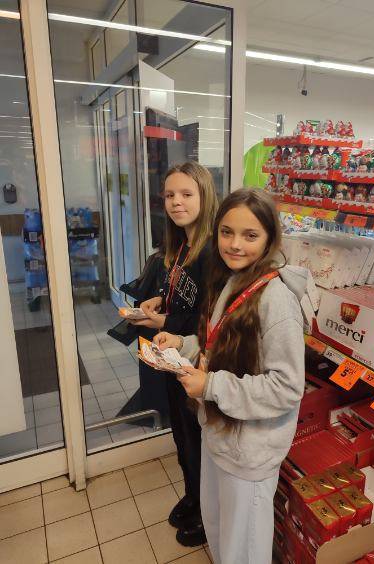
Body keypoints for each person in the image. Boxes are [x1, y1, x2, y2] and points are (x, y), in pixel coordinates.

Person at [154, 188, 305, 564]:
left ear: (270, 238)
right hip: (221, 435)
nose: (235, 244)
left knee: (244, 550)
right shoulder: (231, 280)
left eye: (250, 235)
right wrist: (183, 344)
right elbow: (220, 344)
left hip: (250, 451)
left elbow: (287, 387)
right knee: (220, 532)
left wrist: (211, 385)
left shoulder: (277, 300)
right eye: (226, 232)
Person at [128, 162, 218, 547]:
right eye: (169, 195)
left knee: (199, 440)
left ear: (205, 196)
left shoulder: (213, 250)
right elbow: (181, 295)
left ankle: (207, 512)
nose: (176, 202)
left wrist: (165, 320)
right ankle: (193, 495)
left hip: (197, 361)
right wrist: (158, 301)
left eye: (186, 194)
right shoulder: (182, 243)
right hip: (172, 358)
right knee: (182, 437)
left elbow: (213, 317)